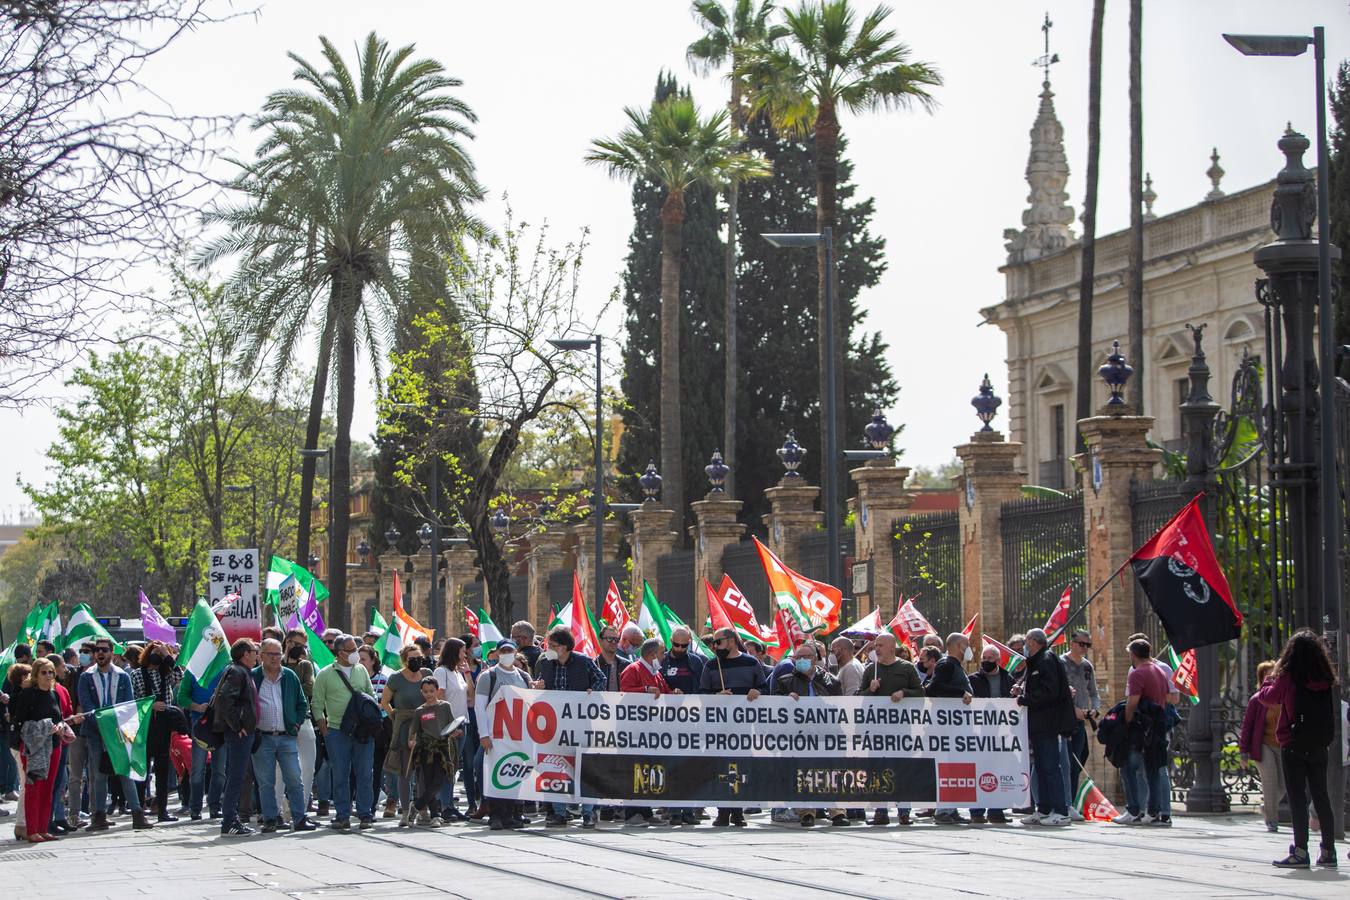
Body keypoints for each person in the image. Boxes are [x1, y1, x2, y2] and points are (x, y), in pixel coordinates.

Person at [1254, 630, 1339, 869]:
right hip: (1320, 743)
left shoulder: (1288, 676)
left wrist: (1270, 679)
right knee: (1321, 797)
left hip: (1293, 742)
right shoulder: (1325, 676)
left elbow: (1267, 698)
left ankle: (1301, 851)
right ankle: (1329, 851)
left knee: (1298, 798)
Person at [77, 637, 152, 831]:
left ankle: (137, 814)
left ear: (111, 653)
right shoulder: (86, 677)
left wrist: (116, 729)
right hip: (96, 734)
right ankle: (99, 817)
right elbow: (87, 706)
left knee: (125, 772)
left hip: (119, 733)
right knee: (99, 775)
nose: (100, 653)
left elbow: (128, 705)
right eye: (97, 650)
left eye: (104, 650)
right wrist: (102, 728)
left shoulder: (122, 676)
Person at [536, 626, 605, 828]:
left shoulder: (583, 661)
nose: (549, 648)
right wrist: (538, 684)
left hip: (581, 724)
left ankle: (588, 812)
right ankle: (559, 812)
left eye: (553, 645)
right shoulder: (547, 663)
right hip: (555, 725)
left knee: (585, 768)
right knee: (555, 766)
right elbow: (543, 683)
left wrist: (592, 692)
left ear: (564, 647)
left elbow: (601, 678)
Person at [699, 627, 766, 828]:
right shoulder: (711, 666)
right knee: (720, 767)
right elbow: (701, 695)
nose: (715, 647)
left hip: (743, 726)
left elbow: (764, 688)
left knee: (741, 767)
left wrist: (757, 692)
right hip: (719, 728)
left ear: (730, 641)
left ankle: (737, 810)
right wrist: (715, 698)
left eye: (718, 642)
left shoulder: (751, 662)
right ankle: (722, 811)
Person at [249, 638, 316, 833]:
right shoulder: (253, 677)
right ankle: (270, 818)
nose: (275, 658)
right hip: (263, 737)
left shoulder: (289, 676)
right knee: (266, 781)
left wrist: (295, 725)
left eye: (278, 654)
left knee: (294, 777)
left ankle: (299, 818)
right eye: (271, 654)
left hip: (287, 736)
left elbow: (302, 703)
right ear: (261, 656)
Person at [313, 634, 377, 831]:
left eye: (356, 650)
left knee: (365, 773)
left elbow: (371, 695)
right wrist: (325, 731)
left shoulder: (361, 671)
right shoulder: (325, 674)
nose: (356, 653)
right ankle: (342, 815)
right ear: (340, 653)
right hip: (337, 732)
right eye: (351, 650)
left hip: (362, 732)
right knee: (340, 775)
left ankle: (365, 813)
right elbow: (317, 704)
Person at [860, 633, 922, 826]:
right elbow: (859, 698)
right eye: (875, 645)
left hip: (901, 730)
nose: (876, 649)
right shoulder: (870, 670)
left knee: (902, 768)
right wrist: (870, 690)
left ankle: (904, 811)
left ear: (891, 648)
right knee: (878, 770)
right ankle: (881, 810)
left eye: (880, 645)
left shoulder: (907, 668)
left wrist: (904, 693)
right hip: (877, 731)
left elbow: (920, 693)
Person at [1014, 628, 1073, 827]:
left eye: (1026, 641)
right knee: (1040, 767)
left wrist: (1026, 699)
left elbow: (1050, 692)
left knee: (1050, 767)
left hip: (1048, 723)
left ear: (1032, 642)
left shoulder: (1046, 660)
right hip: (1038, 724)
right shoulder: (1037, 661)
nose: (1025, 645)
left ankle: (1061, 811)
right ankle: (1044, 809)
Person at [9, 659, 67, 842]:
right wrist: (44, 726)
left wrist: (59, 726)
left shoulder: (54, 694)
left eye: (51, 672)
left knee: (49, 787)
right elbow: (19, 721)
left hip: (54, 746)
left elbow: (60, 717)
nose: (48, 675)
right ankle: (31, 829)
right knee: (34, 787)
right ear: (35, 674)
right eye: (44, 672)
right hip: (33, 748)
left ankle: (43, 828)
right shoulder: (28, 694)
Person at [1115, 638, 1171, 827]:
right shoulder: (1159, 670)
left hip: (1141, 727)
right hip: (1157, 725)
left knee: (1128, 766)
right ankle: (1154, 811)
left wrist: (1127, 722)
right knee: (1153, 769)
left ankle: (1133, 809)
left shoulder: (1137, 673)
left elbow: (1132, 702)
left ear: (1133, 654)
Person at [129, 639, 182, 822]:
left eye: (159, 654)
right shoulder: (136, 674)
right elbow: (133, 701)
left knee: (162, 770)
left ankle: (162, 809)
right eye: (154, 653)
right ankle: (139, 809)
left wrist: (167, 655)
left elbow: (178, 676)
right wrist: (150, 706)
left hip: (163, 726)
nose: (156, 658)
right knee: (143, 769)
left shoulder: (166, 674)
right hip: (145, 725)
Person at [924, 633, 975, 825]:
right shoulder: (946, 664)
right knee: (946, 765)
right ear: (960, 646)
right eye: (967, 645)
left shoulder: (955, 666)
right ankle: (943, 809)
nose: (970, 649)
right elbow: (933, 688)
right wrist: (960, 692)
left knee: (954, 767)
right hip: (946, 728)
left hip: (955, 727)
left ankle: (951, 807)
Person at [401, 675, 463, 828]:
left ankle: (416, 805)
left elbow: (452, 724)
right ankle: (435, 815)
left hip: (443, 749)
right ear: (421, 692)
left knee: (438, 781)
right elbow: (413, 730)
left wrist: (455, 732)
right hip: (426, 750)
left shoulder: (444, 706)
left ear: (437, 690)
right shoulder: (419, 711)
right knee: (428, 782)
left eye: (431, 691)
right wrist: (411, 741)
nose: (429, 694)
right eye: (425, 691)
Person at [213, 639, 260, 836]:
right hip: (239, 734)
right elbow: (224, 699)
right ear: (244, 654)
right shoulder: (237, 672)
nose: (256, 654)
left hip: (245, 732)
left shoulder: (242, 671)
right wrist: (238, 725)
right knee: (236, 777)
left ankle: (231, 819)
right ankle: (229, 821)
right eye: (254, 651)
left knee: (238, 776)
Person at [176, 647, 226, 821]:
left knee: (220, 770)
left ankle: (215, 806)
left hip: (221, 725)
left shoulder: (224, 669)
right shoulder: (192, 671)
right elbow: (181, 697)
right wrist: (197, 707)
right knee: (197, 768)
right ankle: (195, 808)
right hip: (200, 726)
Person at [969, 644, 1015, 825]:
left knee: (1000, 771)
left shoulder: (1008, 679)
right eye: (984, 658)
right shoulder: (973, 679)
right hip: (980, 735)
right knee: (979, 770)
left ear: (997, 660)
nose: (985, 661)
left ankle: (996, 811)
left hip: (1001, 735)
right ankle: (977, 811)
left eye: (989, 659)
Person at [381, 644, 427, 821]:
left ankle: (422, 809)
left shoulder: (427, 674)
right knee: (405, 771)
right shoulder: (396, 678)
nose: (416, 661)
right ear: (405, 660)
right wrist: (395, 716)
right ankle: (406, 811)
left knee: (423, 770)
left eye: (418, 657)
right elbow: (385, 701)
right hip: (405, 727)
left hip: (425, 725)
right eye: (412, 658)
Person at [1240, 660, 1284, 833]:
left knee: (1283, 786)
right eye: (1268, 675)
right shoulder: (1257, 700)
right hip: (1264, 746)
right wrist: (1243, 752)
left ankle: (1267, 806)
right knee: (1270, 781)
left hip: (1281, 745)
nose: (1272, 677)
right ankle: (1272, 820)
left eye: (1274, 673)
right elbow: (1247, 726)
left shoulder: (1284, 695)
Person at [1060, 627, 1100, 815]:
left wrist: (1095, 709)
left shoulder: (1087, 666)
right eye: (1082, 644)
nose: (1085, 648)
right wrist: (1071, 709)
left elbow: (1094, 692)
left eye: (1088, 645)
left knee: (1077, 762)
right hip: (1064, 721)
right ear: (1072, 643)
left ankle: (1071, 803)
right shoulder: (1061, 663)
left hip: (1081, 722)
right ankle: (1063, 802)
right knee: (1065, 763)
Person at [281, 629, 318, 823]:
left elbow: (308, 688)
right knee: (280, 771)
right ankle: (278, 811)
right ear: (287, 643)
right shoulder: (276, 662)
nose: (300, 649)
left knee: (307, 767)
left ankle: (300, 811)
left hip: (303, 720)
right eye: (297, 644)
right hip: (280, 722)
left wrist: (287, 690)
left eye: (303, 646)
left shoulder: (305, 665)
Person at [432, 637, 471, 821]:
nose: (465, 654)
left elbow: (470, 696)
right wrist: (448, 726)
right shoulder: (442, 672)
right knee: (448, 766)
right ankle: (444, 805)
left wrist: (468, 674)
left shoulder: (458, 672)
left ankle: (448, 804)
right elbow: (439, 700)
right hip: (450, 725)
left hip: (462, 723)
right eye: (463, 651)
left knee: (454, 766)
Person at [660, 627, 705, 695]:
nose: (680, 649)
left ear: (689, 643)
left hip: (691, 704)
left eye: (684, 645)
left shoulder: (696, 661)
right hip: (665, 704)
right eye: (676, 645)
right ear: (671, 641)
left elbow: (703, 687)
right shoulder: (661, 660)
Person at [593, 625, 630, 692]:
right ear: (601, 641)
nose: (613, 642)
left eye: (616, 639)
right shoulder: (593, 665)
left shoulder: (627, 665)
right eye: (609, 638)